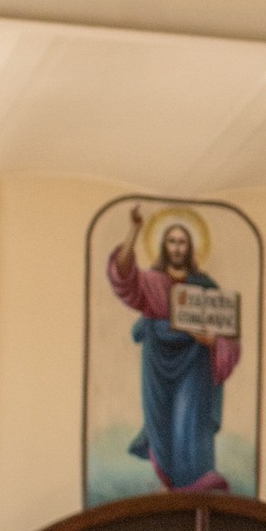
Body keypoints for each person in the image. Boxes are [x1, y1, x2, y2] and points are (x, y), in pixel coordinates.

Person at [106, 206, 240, 495]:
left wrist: (212, 342)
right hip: (157, 364)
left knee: (188, 424)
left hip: (194, 365)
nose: (177, 248)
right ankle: (173, 493)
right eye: (171, 241)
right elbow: (123, 277)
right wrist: (134, 231)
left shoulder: (206, 288)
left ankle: (194, 492)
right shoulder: (152, 283)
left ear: (190, 247)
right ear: (163, 246)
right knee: (163, 427)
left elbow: (229, 336)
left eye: (182, 242)